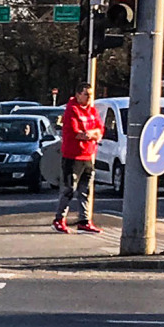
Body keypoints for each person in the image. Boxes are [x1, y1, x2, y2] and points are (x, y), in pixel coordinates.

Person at [55, 84, 103, 234]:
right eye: (86, 94)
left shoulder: (92, 111)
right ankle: (59, 219)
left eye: (91, 95)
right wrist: (89, 135)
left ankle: (84, 221)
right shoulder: (72, 110)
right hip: (72, 156)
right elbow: (76, 132)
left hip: (88, 155)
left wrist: (91, 134)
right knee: (69, 189)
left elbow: (100, 130)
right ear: (78, 95)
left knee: (86, 190)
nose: (89, 98)